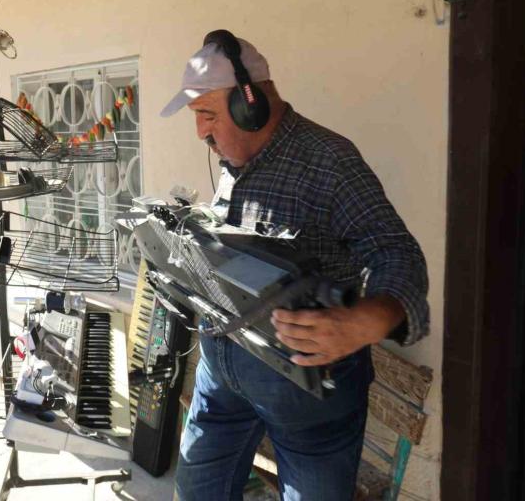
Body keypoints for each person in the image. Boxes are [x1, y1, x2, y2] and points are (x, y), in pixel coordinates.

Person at [159, 30, 429, 501]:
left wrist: (370, 319)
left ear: (250, 105)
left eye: (207, 114)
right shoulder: (233, 157)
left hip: (306, 395)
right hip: (221, 375)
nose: (200, 132)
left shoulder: (329, 161)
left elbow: (394, 251)